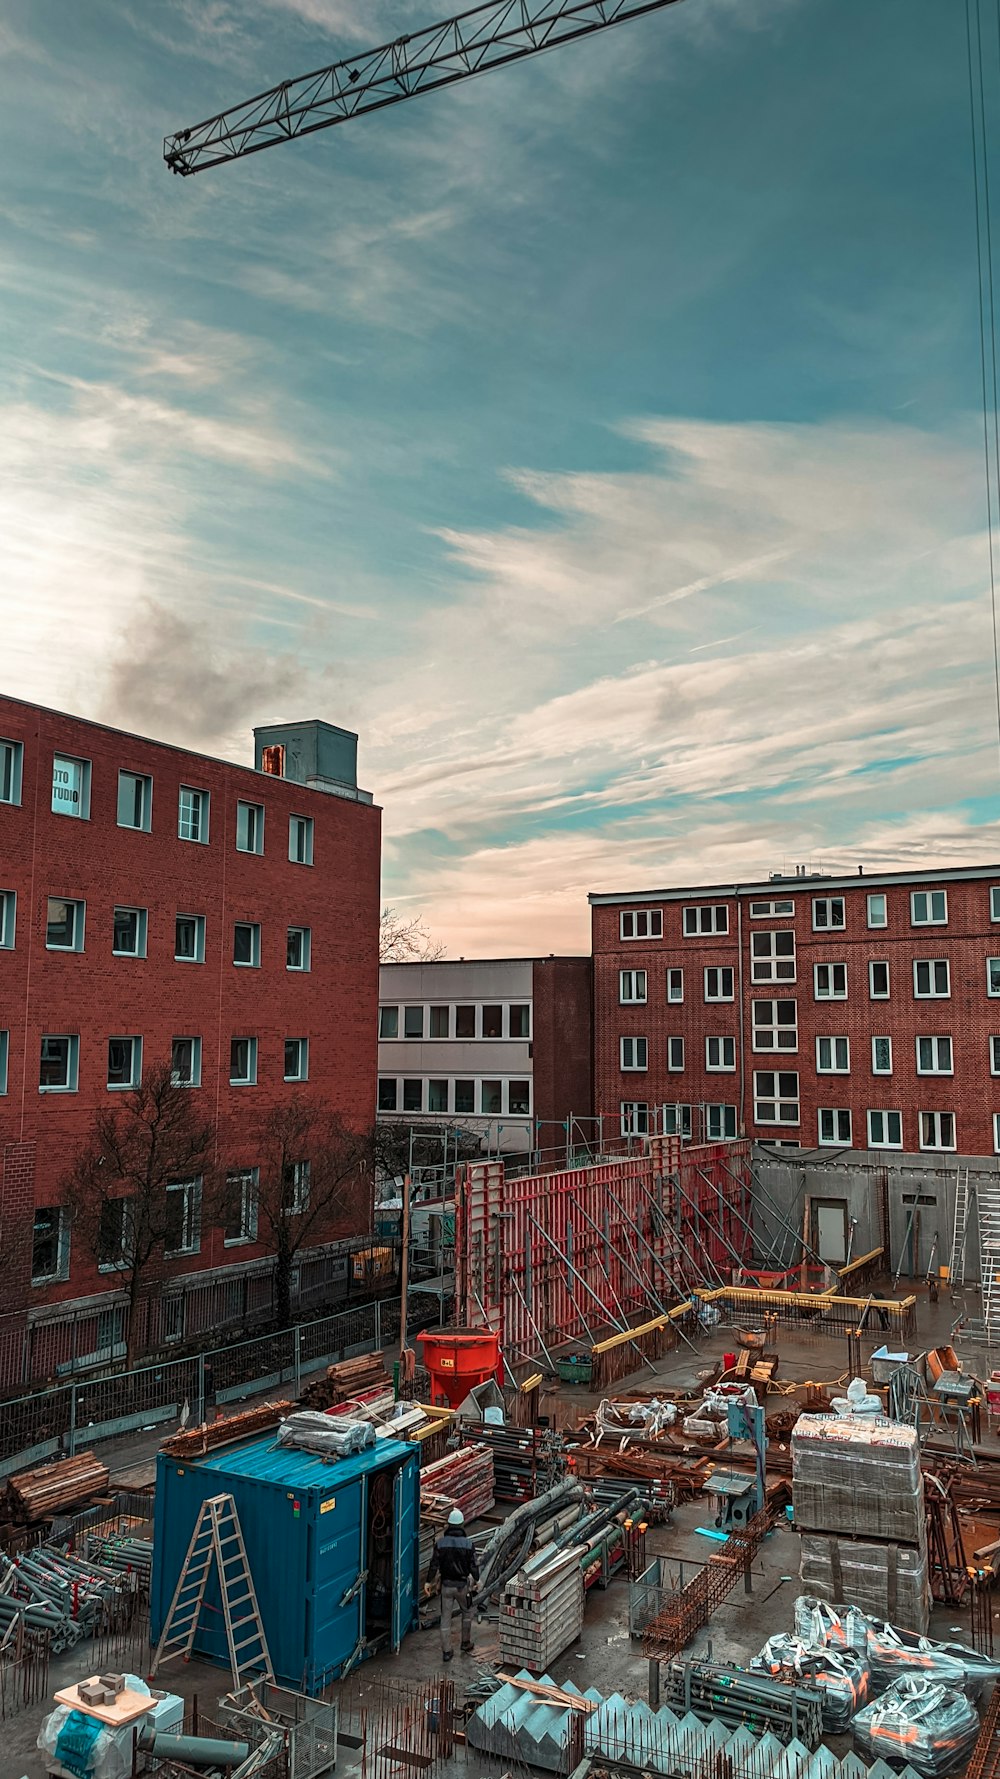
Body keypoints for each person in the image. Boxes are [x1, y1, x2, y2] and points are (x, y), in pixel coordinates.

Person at [425, 1507, 479, 1661]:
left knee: (445, 1619)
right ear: (462, 1525)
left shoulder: (440, 1544)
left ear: (448, 1525)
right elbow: (474, 1566)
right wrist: (477, 1579)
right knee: (467, 1613)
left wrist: (428, 1582)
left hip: (446, 1586)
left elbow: (433, 1565)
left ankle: (447, 1652)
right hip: (462, 1586)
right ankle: (465, 1642)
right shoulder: (468, 1544)